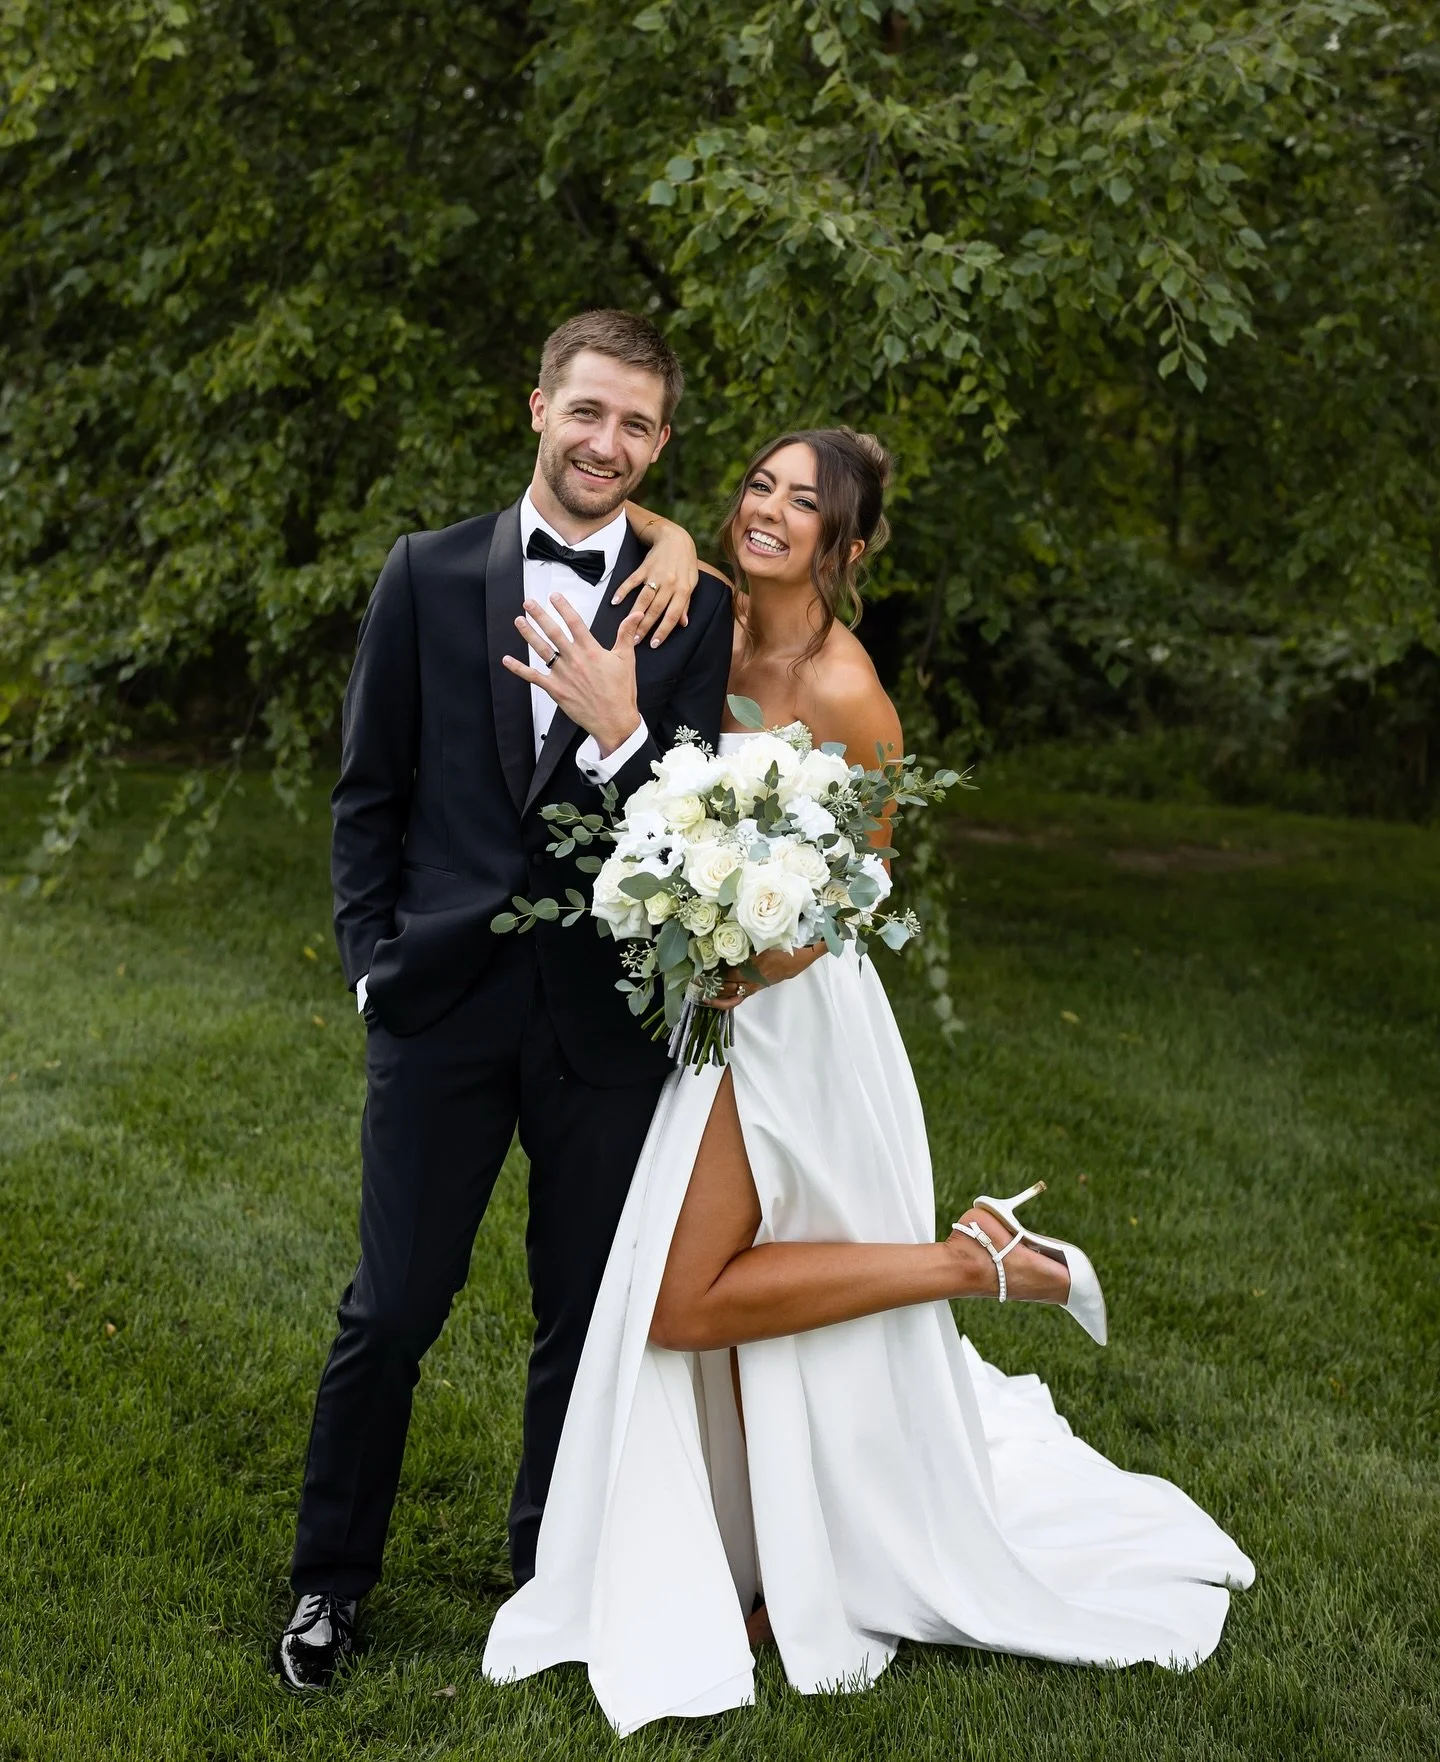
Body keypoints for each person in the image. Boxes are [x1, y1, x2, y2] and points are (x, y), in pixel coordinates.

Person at [481, 427, 1254, 1734]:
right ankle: (772, 1545)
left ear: (844, 544)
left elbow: (855, 890)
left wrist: (747, 949)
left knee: (682, 1298)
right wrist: (670, 534)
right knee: (713, 1300)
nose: (768, 513)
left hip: (790, 1021)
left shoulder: (850, 695)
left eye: (803, 504)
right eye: (757, 488)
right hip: (703, 1001)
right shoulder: (699, 615)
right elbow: (634, 525)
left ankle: (970, 1266)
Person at [276, 309, 733, 1692]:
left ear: (660, 443)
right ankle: (328, 1582)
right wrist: (372, 960)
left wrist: (622, 730)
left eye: (636, 425)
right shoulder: (424, 575)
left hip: (606, 1015)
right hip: (442, 1001)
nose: (607, 442)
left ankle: (551, 1572)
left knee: (581, 1315)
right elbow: (370, 792)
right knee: (392, 1307)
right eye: (586, 411)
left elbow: (697, 827)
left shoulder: (689, 606)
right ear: (537, 408)